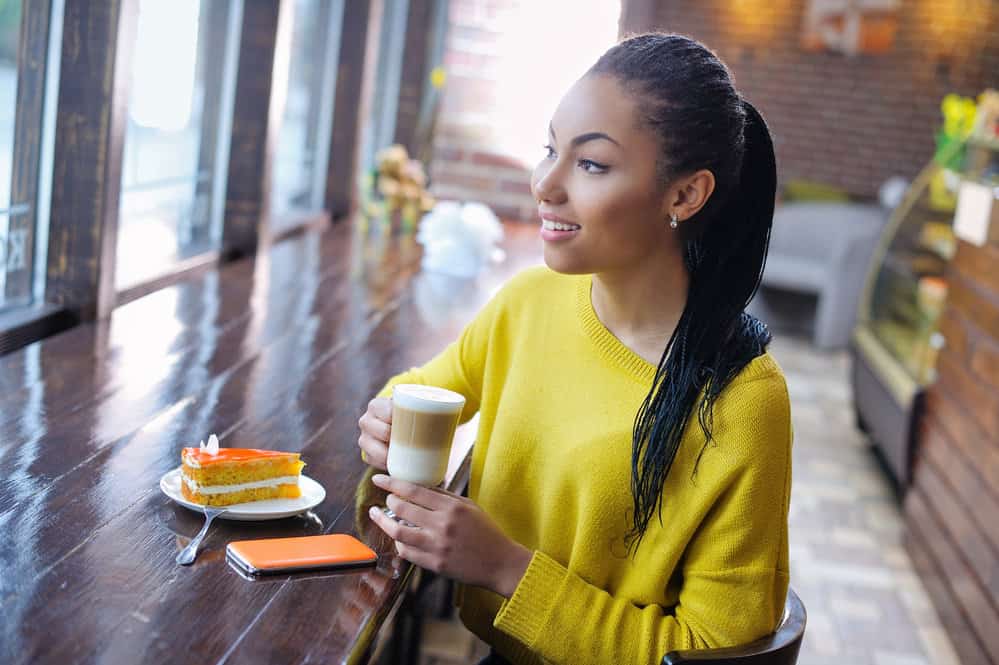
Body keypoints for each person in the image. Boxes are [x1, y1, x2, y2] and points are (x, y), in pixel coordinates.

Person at [357, 32, 791, 665]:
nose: (545, 184)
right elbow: (427, 386)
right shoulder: (529, 302)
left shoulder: (743, 403)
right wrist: (386, 417)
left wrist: (508, 569)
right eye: (549, 150)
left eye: (590, 164)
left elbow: (712, 653)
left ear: (685, 195)